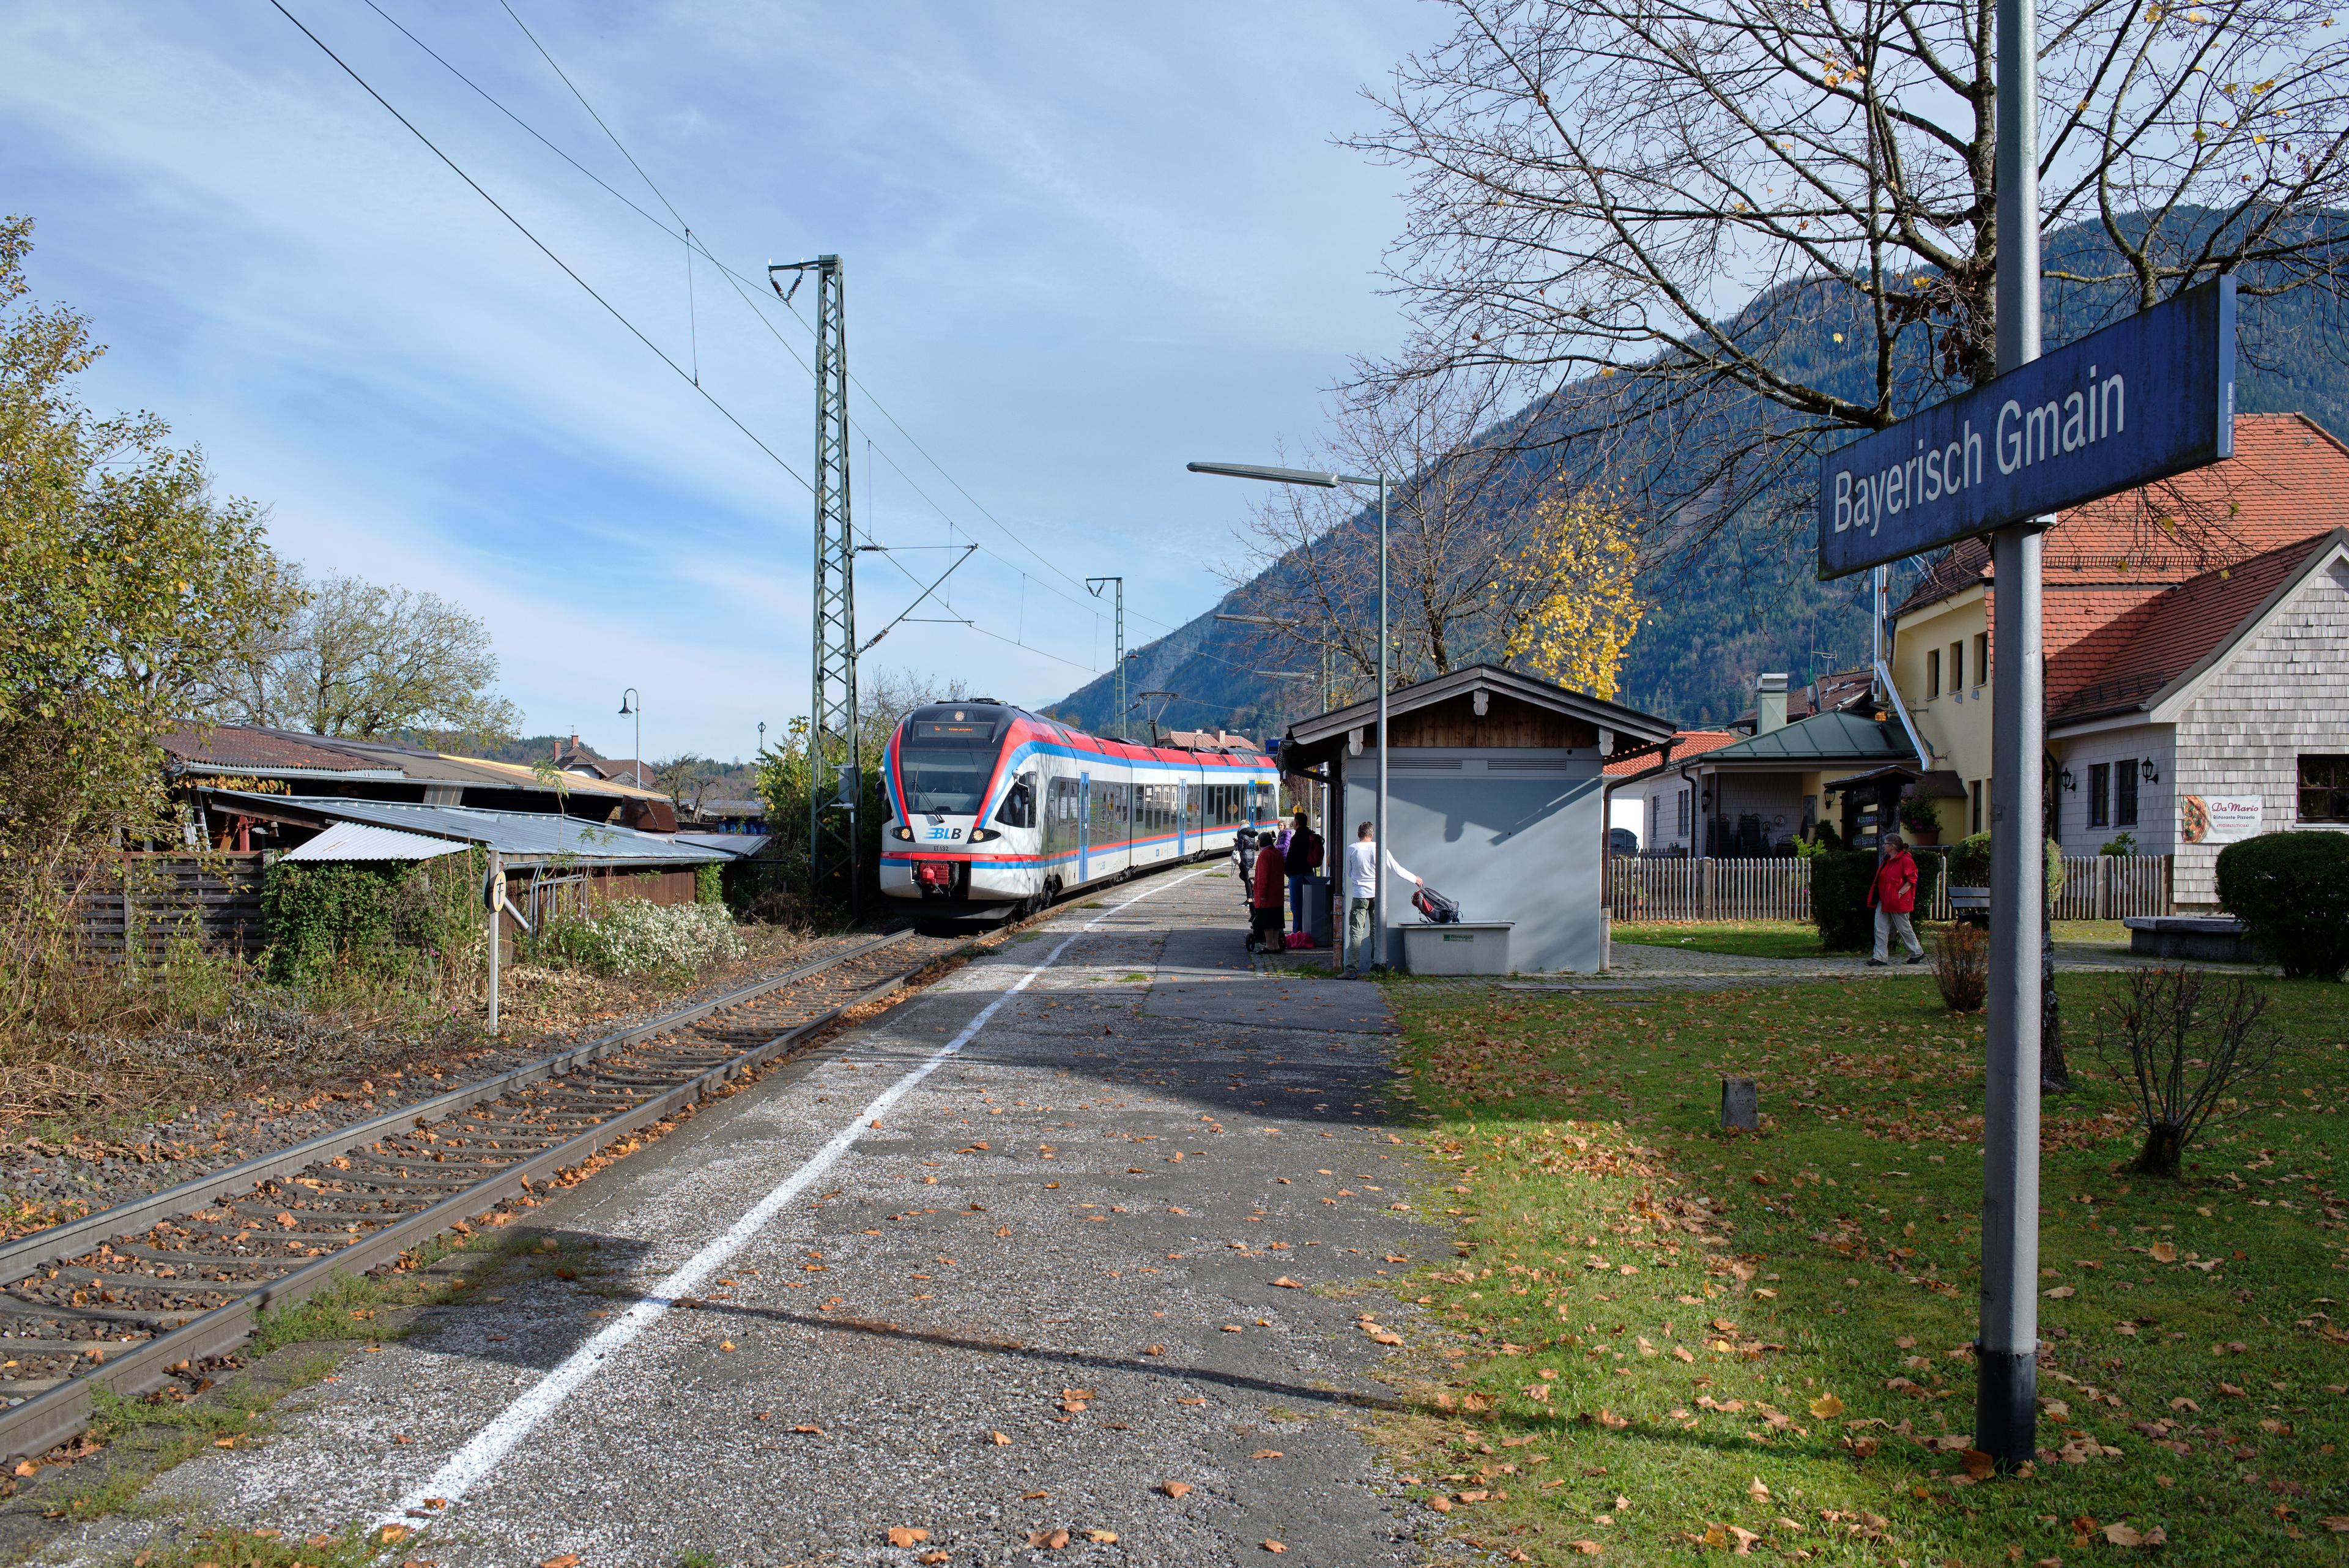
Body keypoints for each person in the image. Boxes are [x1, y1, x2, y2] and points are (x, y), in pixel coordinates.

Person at [1341, 820, 1422, 978]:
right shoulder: (1379, 847)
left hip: (1359, 895)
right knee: (1376, 931)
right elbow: (1396, 869)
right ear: (1371, 835)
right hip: (1378, 895)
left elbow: (1349, 873)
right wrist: (1415, 879)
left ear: (1359, 834)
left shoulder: (1352, 849)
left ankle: (1351, 970)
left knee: (1356, 931)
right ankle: (1377, 966)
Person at [1867, 832, 1926, 966]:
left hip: (1897, 901)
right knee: (1880, 928)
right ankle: (1880, 957)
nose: (1883, 846)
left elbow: (1912, 880)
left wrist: (1900, 893)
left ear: (1893, 846)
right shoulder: (1887, 860)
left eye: (1886, 844)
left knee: (1904, 928)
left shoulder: (1905, 860)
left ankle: (1916, 952)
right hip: (1884, 899)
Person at [1286, 811, 1324, 939]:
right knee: (1309, 905)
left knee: (1297, 907)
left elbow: (1290, 859)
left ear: (1296, 823)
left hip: (1297, 875)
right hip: (1310, 873)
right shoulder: (1311, 836)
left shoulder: (1296, 838)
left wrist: (1288, 872)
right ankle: (1309, 932)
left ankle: (1297, 934)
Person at [1248, 830, 1287, 953]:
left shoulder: (1264, 856)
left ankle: (1270, 945)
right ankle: (1276, 945)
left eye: (1258, 841)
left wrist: (1262, 893)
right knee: (1276, 922)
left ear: (1261, 842)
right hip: (1278, 894)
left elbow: (1264, 876)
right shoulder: (1278, 853)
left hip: (1267, 896)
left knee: (1267, 923)